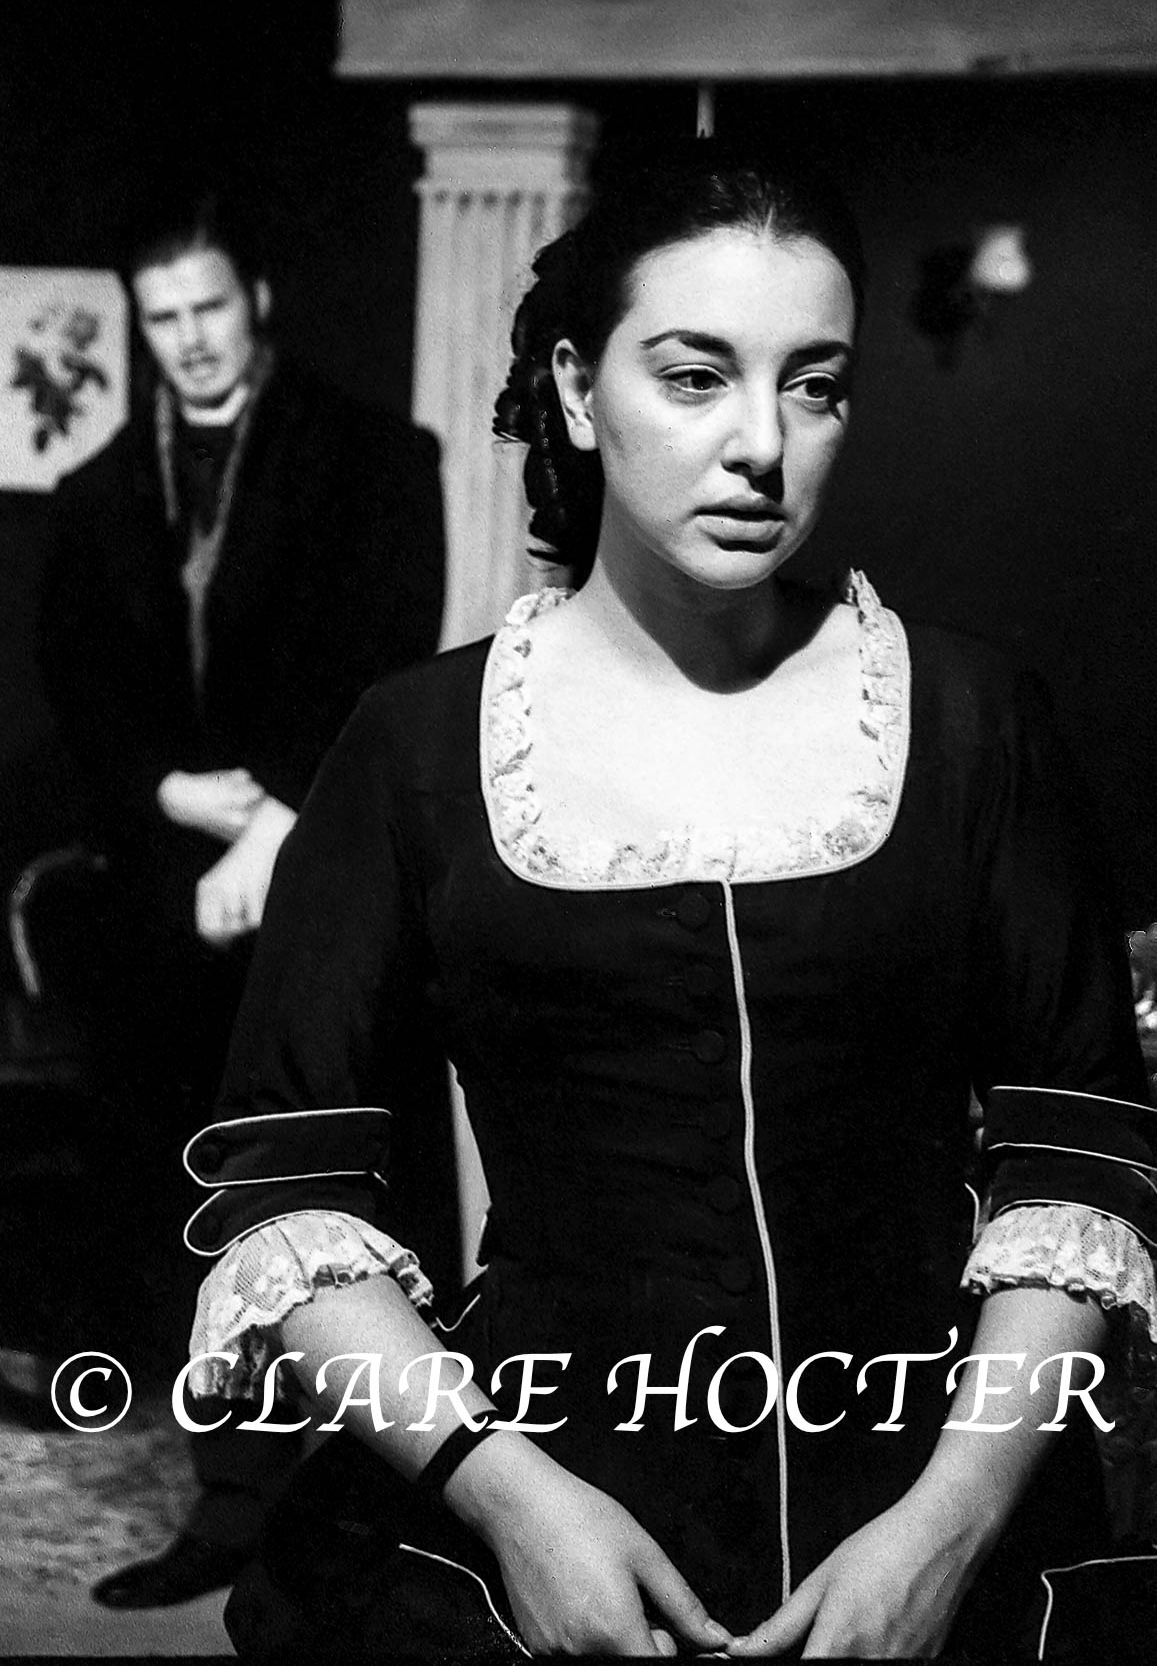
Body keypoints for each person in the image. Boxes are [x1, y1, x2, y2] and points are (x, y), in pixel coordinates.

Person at [182, 137, 1156, 1658]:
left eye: (814, 385)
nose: (762, 443)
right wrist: (511, 1503)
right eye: (696, 376)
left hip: (933, 1506)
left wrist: (946, 1529)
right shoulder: (419, 744)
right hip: (539, 1508)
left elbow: (1075, 1160)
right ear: (579, 393)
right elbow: (285, 1187)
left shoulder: (974, 721)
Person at [36, 193, 447, 1608]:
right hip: (170, 907)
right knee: (192, 1208)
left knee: (347, 1198)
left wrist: (272, 821)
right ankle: (233, 1504)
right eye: (164, 318)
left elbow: (387, 667)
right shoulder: (99, 491)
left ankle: (404, 1506)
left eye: (210, 307)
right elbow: (80, 696)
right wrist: (168, 794)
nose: (192, 339)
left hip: (333, 884)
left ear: (256, 301)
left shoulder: (378, 459)